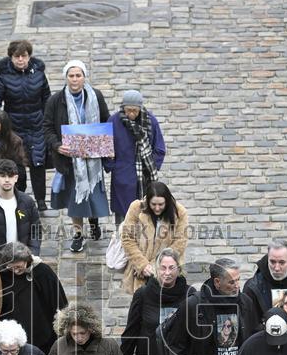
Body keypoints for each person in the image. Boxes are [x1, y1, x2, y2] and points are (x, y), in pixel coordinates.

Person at [43, 60, 110, 253]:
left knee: (93, 195)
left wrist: (105, 144)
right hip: (70, 161)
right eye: (71, 76)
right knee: (76, 198)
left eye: (78, 75)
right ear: (66, 78)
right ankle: (78, 234)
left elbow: (106, 121)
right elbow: (47, 127)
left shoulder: (96, 96)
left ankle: (94, 222)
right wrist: (57, 146)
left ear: (84, 77)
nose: (74, 79)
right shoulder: (55, 100)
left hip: (93, 159)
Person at [0, 40, 52, 211]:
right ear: (11, 57)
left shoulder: (39, 74)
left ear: (29, 56)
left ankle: (40, 200)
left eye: (24, 56)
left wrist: (48, 120)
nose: (21, 60)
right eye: (17, 56)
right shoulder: (3, 77)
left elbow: (47, 98)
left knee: (38, 163)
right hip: (14, 128)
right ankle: (18, 197)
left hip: (36, 125)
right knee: (16, 165)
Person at [104, 90, 166, 224]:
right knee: (123, 216)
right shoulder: (113, 121)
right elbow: (105, 147)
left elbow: (159, 148)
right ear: (123, 108)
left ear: (140, 108)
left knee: (145, 215)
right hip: (122, 176)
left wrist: (151, 167)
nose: (131, 114)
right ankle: (122, 235)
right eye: (128, 110)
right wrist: (111, 163)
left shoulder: (150, 121)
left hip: (145, 178)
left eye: (135, 111)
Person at [0, 242, 67, 355]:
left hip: (40, 332)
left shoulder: (42, 272)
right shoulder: (2, 275)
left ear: (27, 260)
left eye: (18, 267)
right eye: (11, 267)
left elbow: (58, 301)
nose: (15, 271)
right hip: (12, 334)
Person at [119, 182, 189, 294]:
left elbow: (180, 243)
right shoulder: (136, 208)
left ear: (167, 201)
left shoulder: (180, 213)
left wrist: (154, 266)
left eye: (161, 204)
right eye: (153, 204)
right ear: (148, 201)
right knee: (142, 301)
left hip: (167, 270)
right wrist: (142, 265)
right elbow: (127, 239)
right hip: (141, 273)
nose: (157, 208)